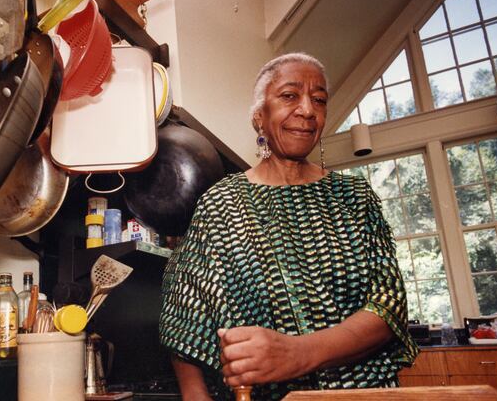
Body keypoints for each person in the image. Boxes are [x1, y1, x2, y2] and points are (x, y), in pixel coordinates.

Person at [159, 52, 418, 400]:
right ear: (259, 117)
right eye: (289, 96)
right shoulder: (221, 204)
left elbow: (388, 306)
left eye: (320, 100)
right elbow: (183, 308)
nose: (308, 110)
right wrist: (195, 395)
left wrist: (298, 354)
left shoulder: (355, 197)